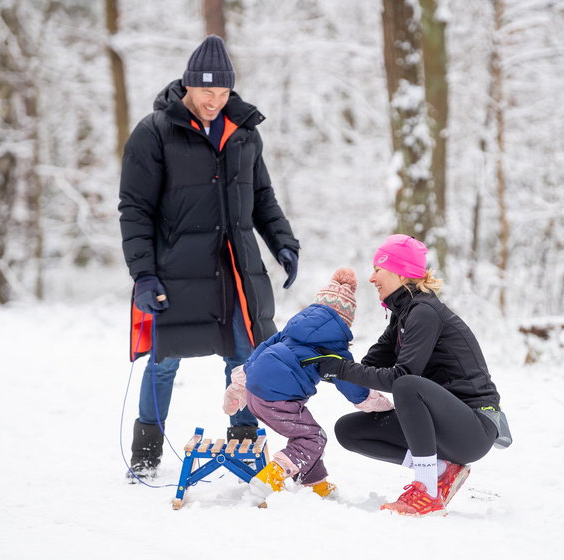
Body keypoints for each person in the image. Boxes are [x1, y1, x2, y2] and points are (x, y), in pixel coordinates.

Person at [118, 35, 300, 479]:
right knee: (163, 364)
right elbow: (135, 209)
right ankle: (144, 458)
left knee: (243, 360)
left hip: (234, 272)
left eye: (223, 93)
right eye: (206, 92)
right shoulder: (154, 132)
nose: (215, 102)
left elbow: (261, 197)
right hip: (176, 273)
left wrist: (283, 243)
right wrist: (143, 274)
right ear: (187, 87)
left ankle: (244, 448)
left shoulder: (244, 134)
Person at [311, 234, 511, 517]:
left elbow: (400, 377)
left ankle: (427, 490)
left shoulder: (425, 312)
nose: (371, 278)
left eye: (377, 270)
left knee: (406, 384)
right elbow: (368, 366)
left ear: (399, 273)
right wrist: (319, 358)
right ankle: (442, 470)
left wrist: (340, 368)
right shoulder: (403, 315)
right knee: (349, 431)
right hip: (443, 426)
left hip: (474, 427)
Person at [222, 268, 393, 501]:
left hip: (255, 392)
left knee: (306, 433)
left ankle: (315, 483)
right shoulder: (334, 347)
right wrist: (379, 404)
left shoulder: (291, 330)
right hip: (278, 398)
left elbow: (261, 350)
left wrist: (239, 384)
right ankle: (270, 477)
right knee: (313, 438)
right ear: (346, 320)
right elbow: (351, 385)